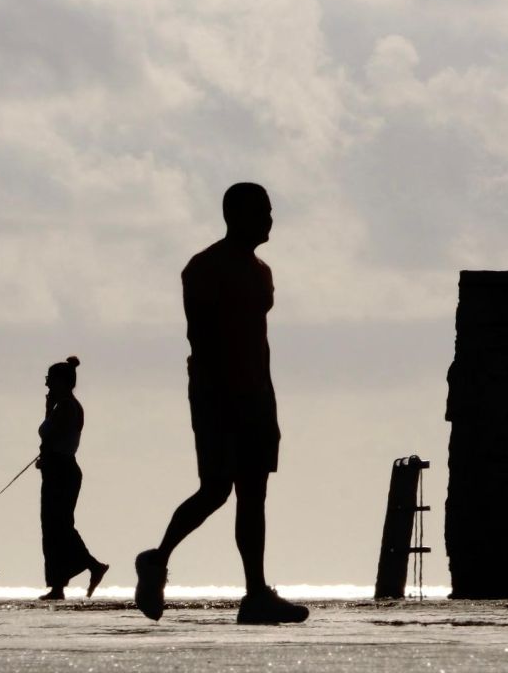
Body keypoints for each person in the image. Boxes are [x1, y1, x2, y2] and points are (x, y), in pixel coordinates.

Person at [133, 183, 308, 625]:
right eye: (264, 212)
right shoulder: (204, 268)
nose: (271, 220)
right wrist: (222, 394)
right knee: (215, 490)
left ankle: (255, 594)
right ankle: (157, 560)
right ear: (239, 215)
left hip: (257, 393)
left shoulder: (262, 272)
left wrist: (263, 398)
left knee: (253, 494)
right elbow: (203, 337)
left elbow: (257, 342)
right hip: (217, 394)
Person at [36, 356, 110, 600]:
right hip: (59, 469)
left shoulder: (67, 406)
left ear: (61, 381)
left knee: (58, 525)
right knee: (55, 526)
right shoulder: (65, 405)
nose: (46, 385)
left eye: (49, 379)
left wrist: (48, 409)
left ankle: (90, 566)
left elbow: (49, 434)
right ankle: (58, 584)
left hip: (62, 470)